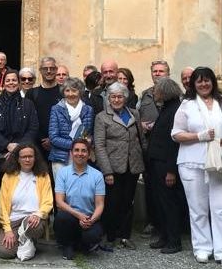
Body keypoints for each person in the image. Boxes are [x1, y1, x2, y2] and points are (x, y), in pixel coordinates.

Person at [171, 67, 222, 267]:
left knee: (221, 208)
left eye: (207, 81)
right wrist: (199, 136)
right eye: (199, 81)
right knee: (198, 208)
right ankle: (202, 247)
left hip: (221, 163)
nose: (203, 84)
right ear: (193, 84)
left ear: (212, 82)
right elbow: (176, 134)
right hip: (192, 162)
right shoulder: (186, 106)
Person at [93, 81, 146, 250]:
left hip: (133, 165)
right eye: (113, 96)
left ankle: (125, 236)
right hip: (113, 166)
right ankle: (109, 236)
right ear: (108, 98)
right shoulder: (102, 117)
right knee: (112, 202)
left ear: (125, 97)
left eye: (120, 96)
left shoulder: (134, 114)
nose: (116, 100)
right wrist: (106, 171)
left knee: (128, 202)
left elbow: (140, 138)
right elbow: (99, 145)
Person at [145, 77, 186, 254]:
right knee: (161, 202)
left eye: (156, 90)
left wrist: (171, 171)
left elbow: (173, 144)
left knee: (169, 203)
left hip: (166, 165)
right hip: (157, 163)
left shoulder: (175, 111)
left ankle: (174, 240)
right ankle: (164, 236)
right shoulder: (167, 109)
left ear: (165, 92)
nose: (154, 93)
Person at [0, 144, 53, 260]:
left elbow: (48, 201)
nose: (27, 159)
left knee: (33, 227)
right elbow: (2, 205)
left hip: (33, 219)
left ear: (35, 158)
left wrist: (38, 214)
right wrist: (7, 230)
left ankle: (26, 238)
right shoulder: (8, 176)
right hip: (13, 220)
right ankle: (26, 242)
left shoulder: (43, 175)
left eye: (30, 156)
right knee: (5, 253)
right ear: (18, 159)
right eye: (24, 157)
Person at [53, 139, 106, 259]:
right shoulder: (63, 173)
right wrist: (79, 216)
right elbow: (59, 202)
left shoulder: (97, 175)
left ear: (89, 154)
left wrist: (90, 220)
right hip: (70, 216)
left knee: (93, 236)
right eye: (76, 150)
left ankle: (82, 244)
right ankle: (67, 245)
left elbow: (100, 204)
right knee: (61, 218)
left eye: (84, 151)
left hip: (89, 218)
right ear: (71, 153)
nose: (80, 154)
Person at [0, 70, 39, 182]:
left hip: (22, 155)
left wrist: (18, 147)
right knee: (0, 192)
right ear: (3, 84)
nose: (11, 83)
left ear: (18, 83)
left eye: (14, 80)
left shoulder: (28, 104)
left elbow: (33, 128)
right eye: (8, 80)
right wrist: (7, 145)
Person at [48, 77, 94, 177]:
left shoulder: (88, 110)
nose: (70, 94)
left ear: (80, 92)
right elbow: (53, 137)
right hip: (60, 158)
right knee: (62, 190)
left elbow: (88, 133)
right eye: (67, 90)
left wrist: (88, 140)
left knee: (79, 189)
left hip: (81, 156)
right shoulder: (56, 109)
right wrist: (74, 146)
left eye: (74, 90)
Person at [28, 57, 62, 161]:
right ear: (40, 70)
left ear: (56, 70)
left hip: (60, 145)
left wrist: (53, 140)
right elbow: (29, 120)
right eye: (45, 68)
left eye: (52, 68)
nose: (49, 71)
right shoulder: (32, 93)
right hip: (38, 146)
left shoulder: (64, 92)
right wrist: (42, 139)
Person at [138, 60, 170, 132]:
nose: (157, 74)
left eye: (161, 71)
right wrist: (140, 124)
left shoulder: (175, 95)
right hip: (148, 140)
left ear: (168, 74)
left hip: (167, 139)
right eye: (155, 71)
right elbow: (136, 115)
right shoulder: (144, 94)